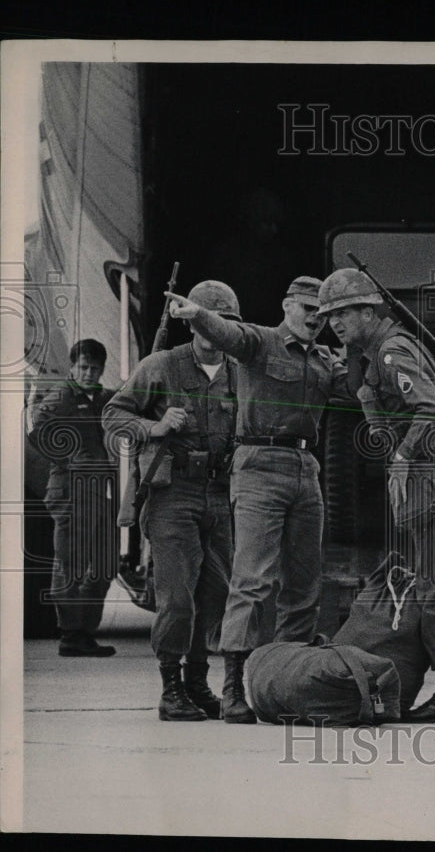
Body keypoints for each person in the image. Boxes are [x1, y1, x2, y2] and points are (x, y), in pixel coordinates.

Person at [165, 276, 349, 724]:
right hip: (258, 465)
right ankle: (232, 687)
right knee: (252, 579)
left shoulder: (327, 360)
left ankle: (288, 683)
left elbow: (361, 390)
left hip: (307, 470)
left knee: (305, 584)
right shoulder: (260, 343)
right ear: (287, 305)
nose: (314, 317)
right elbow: (229, 333)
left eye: (321, 312)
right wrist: (199, 315)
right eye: (306, 307)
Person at [317, 268, 435, 723]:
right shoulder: (377, 352)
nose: (336, 322)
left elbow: (433, 408)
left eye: (345, 312)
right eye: (331, 315)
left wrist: (403, 456)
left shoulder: (391, 350)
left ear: (369, 311)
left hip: (429, 478)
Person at [103, 281, 241, 721]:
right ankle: (170, 687)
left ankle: (197, 683)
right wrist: (154, 427)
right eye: (202, 322)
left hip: (220, 494)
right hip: (173, 494)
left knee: (215, 593)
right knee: (177, 597)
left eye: (220, 324)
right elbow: (114, 414)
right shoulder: (161, 366)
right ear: (190, 324)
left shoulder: (239, 372)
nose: (211, 332)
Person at [29, 339, 117, 657]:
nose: (89, 372)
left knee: (106, 564)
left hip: (96, 490)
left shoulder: (102, 398)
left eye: (94, 368)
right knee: (71, 564)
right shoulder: (62, 396)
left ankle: (84, 631)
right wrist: (69, 459)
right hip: (70, 489)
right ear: (72, 366)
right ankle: (70, 634)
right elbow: (37, 430)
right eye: (83, 367)